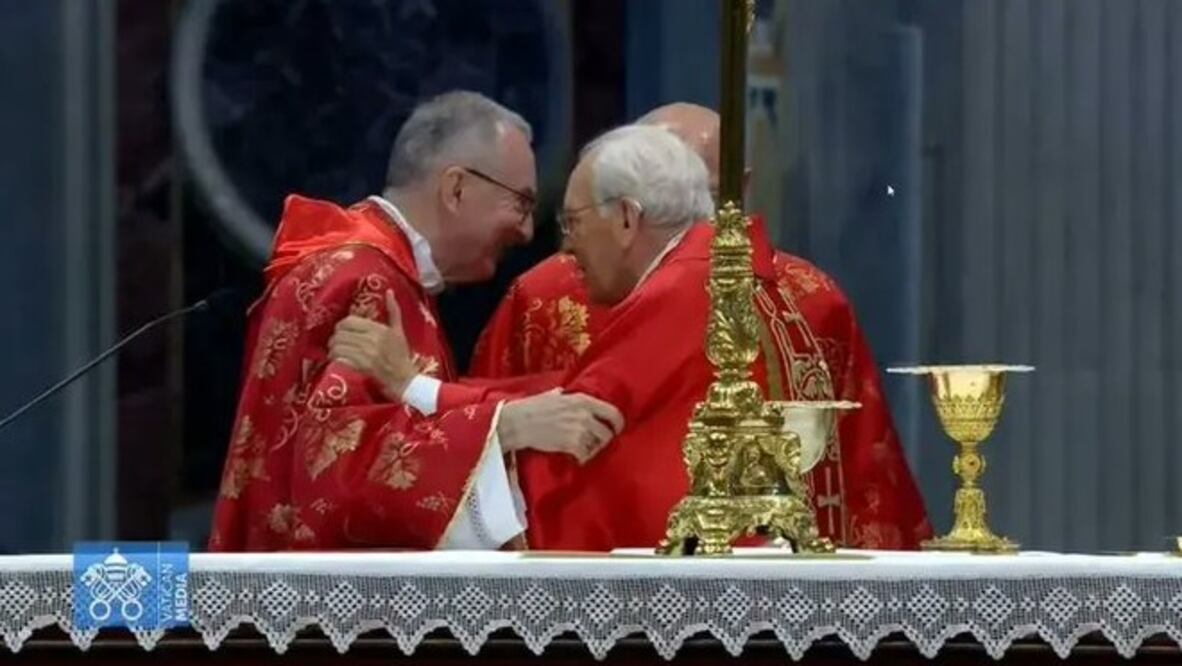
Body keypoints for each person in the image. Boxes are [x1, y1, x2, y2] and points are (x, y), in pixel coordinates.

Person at [333, 124, 850, 550]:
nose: (565, 244)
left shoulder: (683, 288)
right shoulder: (720, 270)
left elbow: (578, 427)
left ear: (626, 218)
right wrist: (509, 410)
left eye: (573, 221)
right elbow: (574, 396)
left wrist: (413, 387)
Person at [470, 103, 932, 549]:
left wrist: (427, 401)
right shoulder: (548, 295)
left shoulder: (798, 294)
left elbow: (863, 470)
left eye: (701, 196)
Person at [208, 91, 623, 552]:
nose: (527, 231)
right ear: (456, 189)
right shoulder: (367, 280)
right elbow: (340, 471)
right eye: (521, 204)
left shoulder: (359, 262)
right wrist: (507, 425)